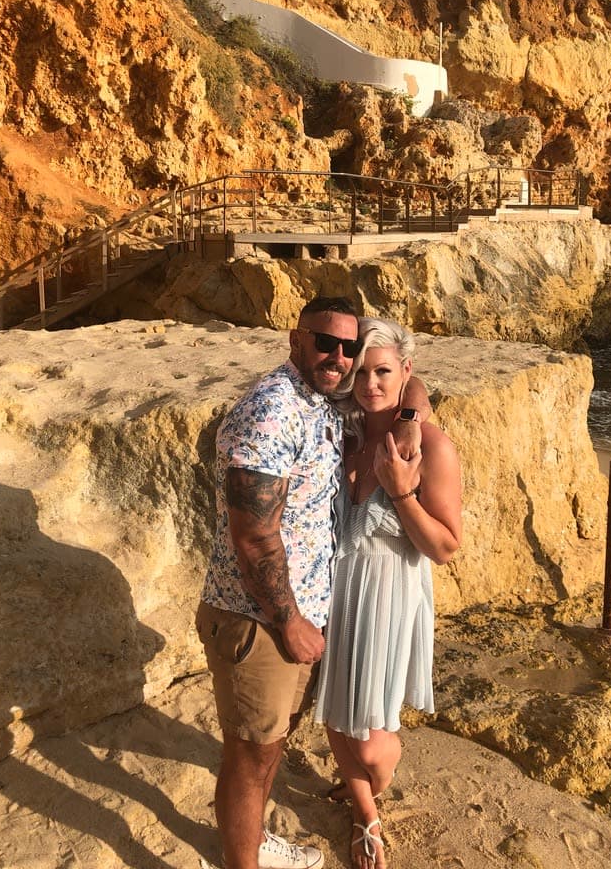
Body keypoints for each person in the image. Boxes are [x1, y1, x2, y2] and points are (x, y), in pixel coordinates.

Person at [196, 298, 430, 869]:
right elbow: (253, 537)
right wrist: (291, 622)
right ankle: (240, 862)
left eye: (350, 348)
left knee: (268, 745)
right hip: (262, 620)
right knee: (251, 757)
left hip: (296, 616)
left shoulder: (323, 402)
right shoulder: (273, 410)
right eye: (326, 342)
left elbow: (411, 377)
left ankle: (247, 844)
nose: (340, 357)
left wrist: (409, 418)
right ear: (295, 340)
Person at [313, 317, 462, 869]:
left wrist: (402, 495)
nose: (371, 384)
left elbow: (445, 547)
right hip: (332, 589)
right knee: (334, 711)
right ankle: (364, 813)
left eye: (385, 372)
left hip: (389, 597)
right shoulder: (344, 429)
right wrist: (407, 408)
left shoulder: (430, 448)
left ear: (406, 371)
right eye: (362, 371)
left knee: (372, 742)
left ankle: (374, 783)